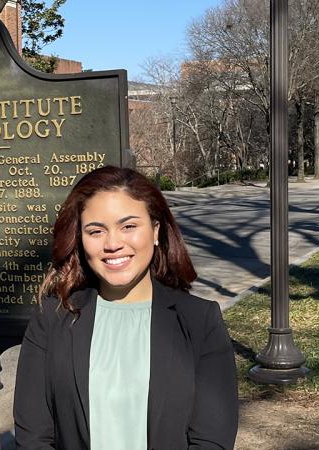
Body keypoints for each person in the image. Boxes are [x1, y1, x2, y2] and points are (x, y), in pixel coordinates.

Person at [14, 166, 239, 450]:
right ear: (81, 240)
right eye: (96, 231)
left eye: (129, 226)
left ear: (156, 230)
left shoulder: (200, 321)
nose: (113, 244)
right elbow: (33, 437)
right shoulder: (52, 318)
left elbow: (211, 440)